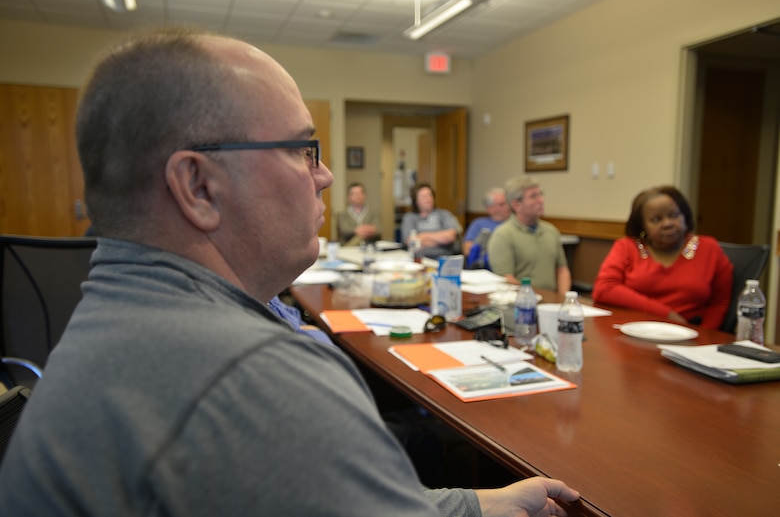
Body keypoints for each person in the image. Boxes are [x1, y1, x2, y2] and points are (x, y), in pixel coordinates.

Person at [0, 28, 579, 516]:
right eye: (304, 150)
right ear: (198, 186)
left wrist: (481, 505)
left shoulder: (117, 316)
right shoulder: (253, 375)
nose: (324, 175)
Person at [592, 185, 733, 329]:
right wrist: (667, 315)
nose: (667, 224)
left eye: (674, 215)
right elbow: (604, 288)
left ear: (685, 215)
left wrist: (702, 337)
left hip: (688, 334)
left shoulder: (709, 248)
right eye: (656, 219)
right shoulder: (627, 246)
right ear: (643, 226)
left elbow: (719, 302)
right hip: (633, 330)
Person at [488, 177, 572, 295]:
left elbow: (562, 270)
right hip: (521, 303)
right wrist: (532, 299)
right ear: (516, 205)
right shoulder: (503, 235)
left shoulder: (551, 231)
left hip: (552, 303)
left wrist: (563, 300)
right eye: (533, 196)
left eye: (540, 195)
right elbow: (507, 280)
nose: (541, 200)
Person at [401, 183, 463, 258]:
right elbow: (410, 241)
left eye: (430, 195)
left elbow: (450, 237)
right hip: (419, 259)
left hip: (444, 258)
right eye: (424, 196)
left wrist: (424, 236)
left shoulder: (444, 214)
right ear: (416, 201)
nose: (428, 199)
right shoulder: (409, 217)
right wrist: (440, 239)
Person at [462, 187, 511, 268]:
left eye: (508, 203)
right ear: (490, 208)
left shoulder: (515, 224)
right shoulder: (478, 224)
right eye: (502, 204)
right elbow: (467, 250)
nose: (507, 207)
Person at [336, 182, 381, 246]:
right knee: (359, 237)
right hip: (348, 247)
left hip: (369, 246)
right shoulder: (343, 214)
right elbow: (344, 230)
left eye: (360, 193)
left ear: (365, 195)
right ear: (349, 197)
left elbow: (378, 228)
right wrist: (356, 230)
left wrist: (368, 230)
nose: (357, 196)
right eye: (354, 194)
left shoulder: (373, 212)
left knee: (360, 237)